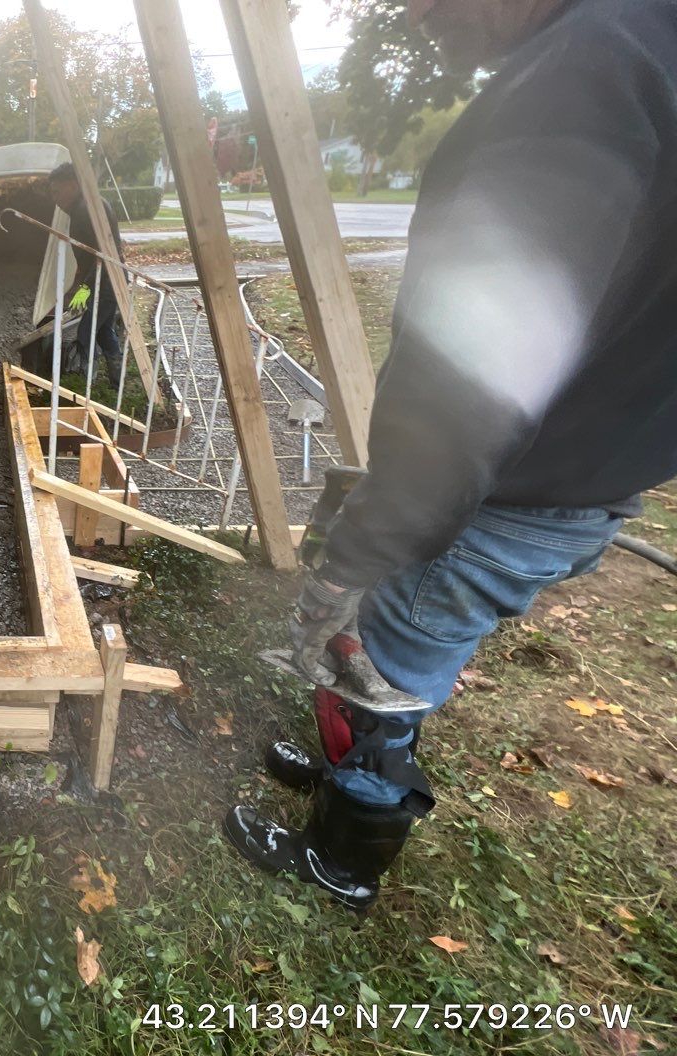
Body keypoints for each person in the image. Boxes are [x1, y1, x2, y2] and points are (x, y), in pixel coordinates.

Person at [224, 0, 677, 911]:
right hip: (582, 470)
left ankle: (341, 860)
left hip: (506, 492)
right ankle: (335, 773)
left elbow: (470, 386)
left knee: (390, 670)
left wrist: (350, 562)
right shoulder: (650, 38)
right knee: (384, 659)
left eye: (431, 2)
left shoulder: (582, 76)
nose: (420, 15)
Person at [47, 163, 125, 382]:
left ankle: (86, 383)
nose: (55, 198)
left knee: (86, 332)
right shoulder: (86, 206)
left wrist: (82, 291)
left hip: (106, 281)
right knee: (102, 329)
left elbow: (99, 255)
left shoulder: (85, 210)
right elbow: (89, 257)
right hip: (107, 279)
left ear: (72, 185)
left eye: (57, 191)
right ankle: (117, 378)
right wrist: (76, 289)